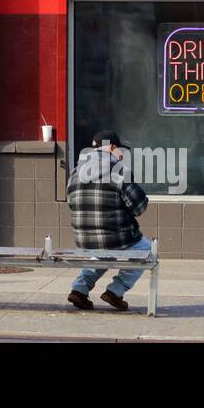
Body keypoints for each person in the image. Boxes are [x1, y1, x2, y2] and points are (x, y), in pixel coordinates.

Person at [66, 130, 151, 312]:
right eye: (121, 150)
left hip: (84, 239)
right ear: (112, 147)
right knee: (146, 250)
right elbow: (140, 208)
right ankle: (116, 291)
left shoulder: (75, 171)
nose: (122, 155)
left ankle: (79, 289)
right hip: (115, 237)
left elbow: (71, 202)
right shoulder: (118, 171)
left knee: (104, 251)